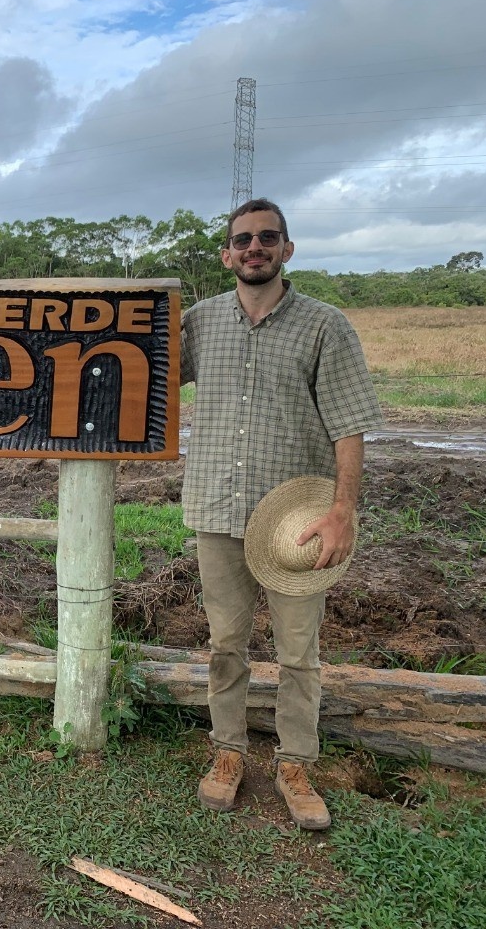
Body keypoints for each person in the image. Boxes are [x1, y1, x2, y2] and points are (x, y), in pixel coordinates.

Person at [179, 198, 382, 830]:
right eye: (242, 240)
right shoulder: (197, 323)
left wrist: (343, 511)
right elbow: (143, 377)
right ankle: (228, 752)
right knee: (225, 644)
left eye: (268, 238)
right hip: (217, 505)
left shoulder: (325, 325)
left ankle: (295, 763)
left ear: (287, 249)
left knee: (299, 653)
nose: (254, 248)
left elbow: (349, 424)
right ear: (227, 254)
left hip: (296, 520)